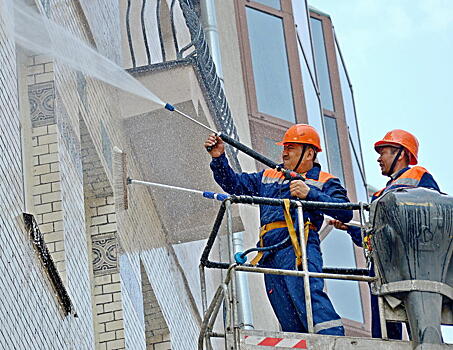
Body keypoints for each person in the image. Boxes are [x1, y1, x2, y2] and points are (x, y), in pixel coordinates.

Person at [204, 124, 353, 335]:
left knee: (308, 296)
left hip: (298, 246)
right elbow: (235, 185)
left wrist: (309, 193)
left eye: (291, 147)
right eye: (284, 147)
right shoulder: (269, 176)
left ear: (309, 153)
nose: (284, 152)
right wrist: (219, 158)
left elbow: (345, 211)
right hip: (270, 251)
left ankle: (333, 340)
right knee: (285, 312)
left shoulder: (324, 181)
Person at [330, 129, 441, 339]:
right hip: (383, 264)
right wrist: (351, 228)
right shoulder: (380, 194)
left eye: (384, 153)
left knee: (420, 320)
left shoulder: (419, 176)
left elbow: (434, 215)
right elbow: (375, 236)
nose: (379, 159)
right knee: (383, 324)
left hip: (411, 262)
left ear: (401, 154)